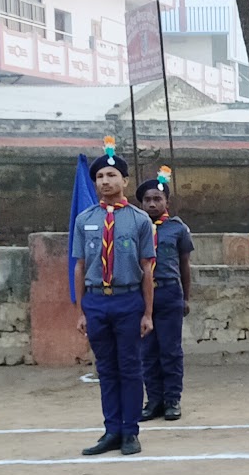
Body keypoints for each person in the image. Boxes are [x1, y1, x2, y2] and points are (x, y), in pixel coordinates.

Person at [72, 138, 155, 456]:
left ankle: (130, 431)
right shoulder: (85, 219)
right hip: (96, 300)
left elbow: (147, 269)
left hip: (127, 299)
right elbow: (80, 266)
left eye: (111, 175)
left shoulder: (139, 220)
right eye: (99, 177)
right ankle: (112, 430)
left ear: (125, 181)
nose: (105, 181)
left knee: (130, 367)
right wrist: (81, 311)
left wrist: (147, 312)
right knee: (106, 369)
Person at [138, 168, 193, 422]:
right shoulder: (137, 227)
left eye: (157, 199)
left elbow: (184, 265)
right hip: (142, 294)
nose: (152, 204)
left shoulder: (177, 229)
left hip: (169, 291)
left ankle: (172, 399)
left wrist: (186, 297)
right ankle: (154, 400)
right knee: (147, 350)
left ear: (166, 202)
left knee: (170, 350)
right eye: (147, 200)